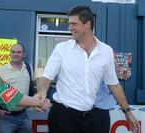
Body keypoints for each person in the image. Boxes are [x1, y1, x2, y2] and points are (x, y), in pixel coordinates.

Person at [34, 5, 140, 133]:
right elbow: (46, 77)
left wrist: (127, 112)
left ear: (87, 24)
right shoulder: (61, 49)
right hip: (63, 116)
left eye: (74, 23)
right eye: (69, 23)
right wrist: (42, 91)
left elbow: (114, 85)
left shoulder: (106, 51)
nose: (69, 28)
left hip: (93, 117)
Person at [0, 44, 36, 133]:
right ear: (10, 54)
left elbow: (35, 81)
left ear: (24, 54)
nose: (15, 54)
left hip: (24, 116)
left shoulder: (28, 68)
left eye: (19, 52)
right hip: (6, 118)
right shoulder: (0, 70)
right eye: (13, 52)